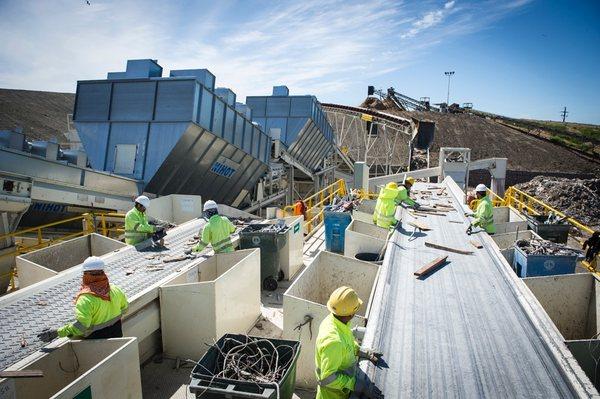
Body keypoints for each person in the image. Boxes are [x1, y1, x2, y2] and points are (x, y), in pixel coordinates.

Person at [37, 257, 128, 342]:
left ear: (86, 275)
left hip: (96, 343)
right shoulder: (115, 289)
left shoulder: (85, 299)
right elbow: (125, 309)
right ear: (103, 273)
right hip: (117, 338)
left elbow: (82, 327)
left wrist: (58, 332)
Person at [315, 286, 382, 399]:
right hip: (333, 394)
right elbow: (327, 378)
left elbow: (346, 343)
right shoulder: (334, 342)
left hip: (342, 389)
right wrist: (355, 384)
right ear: (351, 315)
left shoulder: (334, 320)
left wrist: (359, 350)